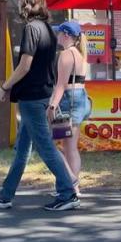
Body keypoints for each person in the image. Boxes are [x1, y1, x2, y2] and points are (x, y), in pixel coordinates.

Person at [0, 0, 79, 211]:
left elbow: (25, 65)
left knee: (44, 146)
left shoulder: (30, 28)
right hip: (42, 94)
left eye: (21, 0)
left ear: (26, 4)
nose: (18, 4)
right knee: (23, 149)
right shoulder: (48, 29)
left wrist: (5, 87)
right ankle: (6, 194)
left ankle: (68, 193)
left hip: (31, 97)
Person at [48, 21, 90, 196]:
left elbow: (60, 85)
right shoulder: (80, 55)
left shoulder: (65, 55)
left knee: (49, 143)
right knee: (70, 147)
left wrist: (52, 106)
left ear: (65, 35)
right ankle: (73, 187)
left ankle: (71, 181)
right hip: (80, 100)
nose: (56, 35)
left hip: (68, 102)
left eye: (59, 33)